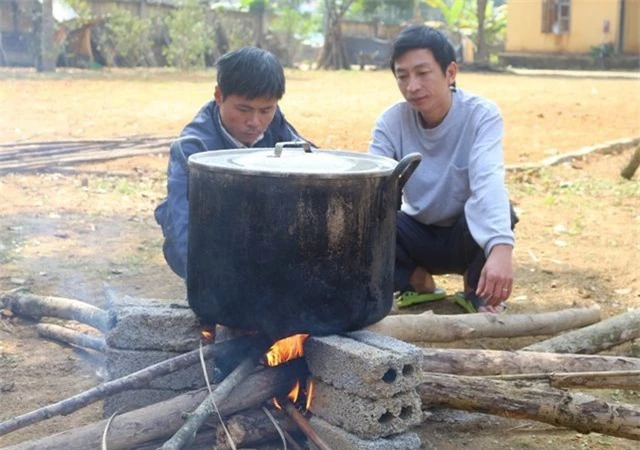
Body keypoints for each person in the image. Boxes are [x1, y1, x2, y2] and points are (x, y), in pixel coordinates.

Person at [368, 25, 518, 313]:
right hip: (415, 234)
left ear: (450, 73)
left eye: (422, 73)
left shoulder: (481, 115)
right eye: (402, 76)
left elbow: (488, 180)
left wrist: (501, 248)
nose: (412, 86)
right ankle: (417, 280)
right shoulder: (390, 122)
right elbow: (372, 185)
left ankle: (478, 289)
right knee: (369, 220)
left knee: (503, 210)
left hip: (467, 232)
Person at [155, 47, 307, 279]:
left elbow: (311, 161)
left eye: (266, 110)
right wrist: (203, 281)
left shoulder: (276, 123)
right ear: (219, 96)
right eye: (243, 109)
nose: (255, 122)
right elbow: (180, 218)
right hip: (216, 240)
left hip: (263, 232)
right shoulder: (193, 147)